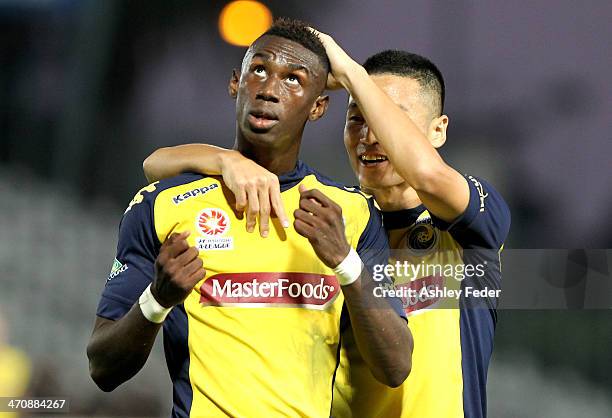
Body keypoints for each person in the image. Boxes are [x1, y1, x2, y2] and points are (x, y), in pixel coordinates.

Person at [143, 29, 511, 418]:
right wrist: (223, 160)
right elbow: (154, 165)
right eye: (356, 119)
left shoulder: (470, 223)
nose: (370, 136)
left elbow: (428, 176)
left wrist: (353, 74)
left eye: (388, 121)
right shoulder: (338, 218)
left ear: (437, 130)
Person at [87, 18, 412, 418]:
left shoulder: (351, 214)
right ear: (235, 84)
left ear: (318, 106)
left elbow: (395, 366)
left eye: (294, 79)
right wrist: (158, 298)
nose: (270, 90)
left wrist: (346, 262)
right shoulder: (162, 204)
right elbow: (102, 368)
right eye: (259, 70)